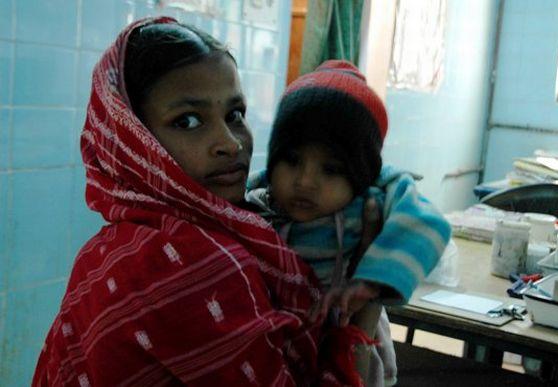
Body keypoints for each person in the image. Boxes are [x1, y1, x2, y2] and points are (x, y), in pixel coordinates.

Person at [32, 17, 376, 386]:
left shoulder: (107, 250)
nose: (230, 143)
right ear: (132, 139)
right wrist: (371, 287)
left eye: (235, 115)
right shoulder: (197, 263)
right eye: (189, 121)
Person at [246, 60, 452, 386]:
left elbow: (429, 222)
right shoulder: (261, 192)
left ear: (361, 171)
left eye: (330, 169)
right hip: (284, 342)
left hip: (351, 339)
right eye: (292, 160)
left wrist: (367, 283)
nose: (305, 181)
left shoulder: (376, 189)